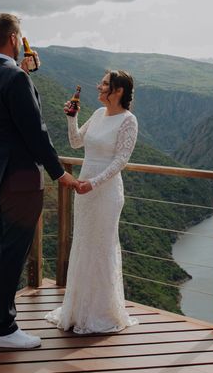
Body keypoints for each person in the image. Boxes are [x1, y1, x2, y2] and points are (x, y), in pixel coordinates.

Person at [0, 13, 77, 349]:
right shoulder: (15, 78)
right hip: (16, 179)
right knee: (12, 250)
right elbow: (35, 132)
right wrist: (59, 173)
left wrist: (23, 73)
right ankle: (4, 328)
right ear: (15, 39)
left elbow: (4, 111)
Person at [45, 70, 139, 334]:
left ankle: (101, 312)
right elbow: (76, 143)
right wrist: (71, 119)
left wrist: (94, 183)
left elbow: (121, 160)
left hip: (105, 191)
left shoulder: (128, 120)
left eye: (105, 84)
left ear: (118, 91)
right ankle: (77, 309)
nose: (99, 86)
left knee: (102, 246)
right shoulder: (98, 114)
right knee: (84, 244)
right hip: (84, 187)